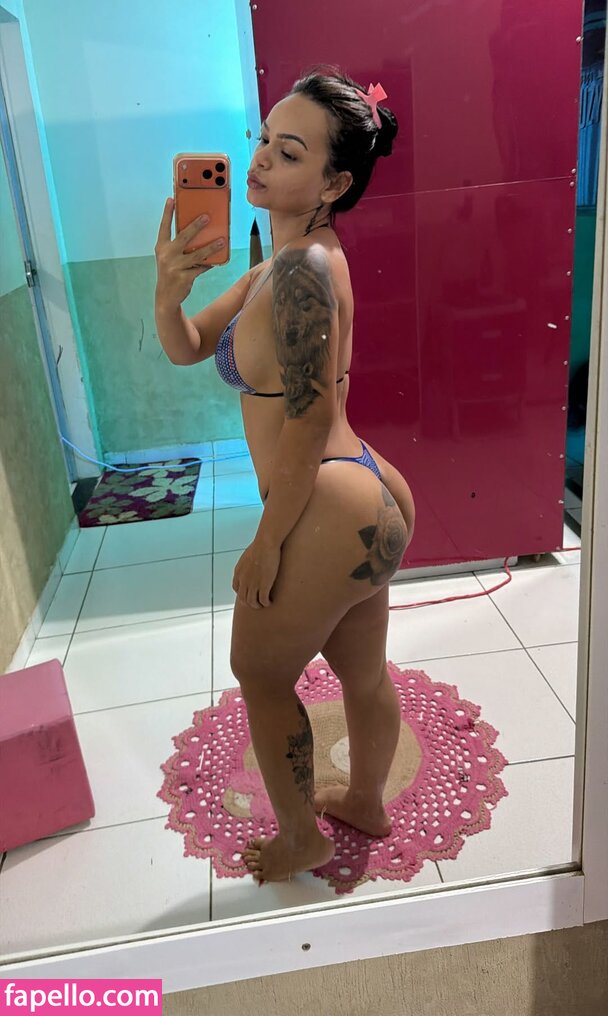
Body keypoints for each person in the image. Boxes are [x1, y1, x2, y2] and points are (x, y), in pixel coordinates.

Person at [154, 67, 416, 884]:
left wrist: (267, 542)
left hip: (327, 498)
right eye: (264, 139)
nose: (262, 158)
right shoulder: (287, 263)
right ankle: (365, 802)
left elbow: (303, 423)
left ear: (335, 183)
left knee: (260, 672)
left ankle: (303, 837)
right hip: (366, 490)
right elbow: (188, 345)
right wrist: (168, 290)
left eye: (290, 151)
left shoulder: (302, 271)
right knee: (363, 674)